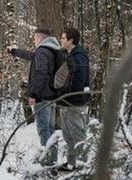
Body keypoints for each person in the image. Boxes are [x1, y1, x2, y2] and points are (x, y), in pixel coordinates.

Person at [7, 28, 61, 166]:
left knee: (44, 129)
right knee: (51, 130)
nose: (34, 40)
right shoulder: (51, 49)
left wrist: (34, 94)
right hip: (52, 96)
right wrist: (15, 52)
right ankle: (52, 160)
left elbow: (41, 73)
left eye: (35, 37)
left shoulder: (42, 51)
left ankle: (47, 161)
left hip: (42, 96)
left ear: (40, 37)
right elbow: (33, 56)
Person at [57, 27, 90, 172]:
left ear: (71, 40)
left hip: (74, 103)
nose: (61, 40)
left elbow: (79, 81)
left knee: (78, 136)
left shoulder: (79, 56)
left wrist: (66, 94)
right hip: (65, 102)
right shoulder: (69, 54)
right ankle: (71, 165)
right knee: (68, 136)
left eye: (63, 38)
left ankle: (84, 168)